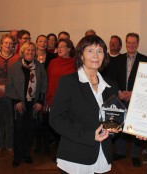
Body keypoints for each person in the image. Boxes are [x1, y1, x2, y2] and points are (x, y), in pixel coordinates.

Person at [49, 35, 120, 174]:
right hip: (76, 155)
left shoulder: (112, 86)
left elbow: (113, 119)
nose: (95, 55)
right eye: (90, 50)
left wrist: (114, 128)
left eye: (100, 51)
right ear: (81, 55)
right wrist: (89, 136)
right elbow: (56, 119)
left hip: (102, 154)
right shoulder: (68, 82)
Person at [107, 32, 147, 167]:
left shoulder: (146, 60)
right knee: (119, 124)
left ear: (137, 44)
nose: (131, 45)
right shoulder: (117, 59)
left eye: (134, 42)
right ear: (125, 44)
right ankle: (120, 152)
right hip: (120, 97)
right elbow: (112, 79)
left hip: (136, 98)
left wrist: (134, 93)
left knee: (135, 127)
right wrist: (118, 92)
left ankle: (134, 155)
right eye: (129, 42)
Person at [6, 42, 47, 167]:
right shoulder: (15, 66)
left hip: (33, 105)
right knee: (19, 130)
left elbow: (44, 85)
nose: (30, 52)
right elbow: (9, 85)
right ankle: (17, 156)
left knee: (30, 130)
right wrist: (16, 101)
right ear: (23, 51)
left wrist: (40, 101)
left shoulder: (39, 66)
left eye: (33, 50)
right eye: (27, 50)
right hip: (19, 104)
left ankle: (26, 154)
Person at [44, 38, 76, 155]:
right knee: (56, 126)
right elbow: (47, 81)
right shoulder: (53, 62)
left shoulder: (74, 63)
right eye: (59, 46)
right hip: (54, 99)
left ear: (69, 49)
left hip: (69, 101)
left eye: (63, 46)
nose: (59, 49)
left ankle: (67, 152)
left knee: (68, 127)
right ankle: (59, 152)